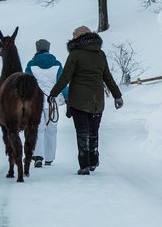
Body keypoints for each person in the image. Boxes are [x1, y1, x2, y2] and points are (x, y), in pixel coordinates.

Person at [48, 25, 123, 175]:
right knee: (93, 131)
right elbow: (107, 77)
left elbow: (65, 77)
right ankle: (93, 160)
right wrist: (117, 95)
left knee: (82, 132)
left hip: (79, 101)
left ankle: (84, 165)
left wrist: (53, 94)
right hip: (97, 101)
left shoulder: (75, 55)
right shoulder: (100, 54)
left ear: (80, 37)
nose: (72, 37)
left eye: (74, 35)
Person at [25, 38, 68, 168]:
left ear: (37, 49)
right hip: (52, 102)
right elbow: (62, 83)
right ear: (48, 49)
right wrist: (67, 98)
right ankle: (49, 158)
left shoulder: (31, 64)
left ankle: (38, 157)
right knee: (52, 130)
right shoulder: (57, 64)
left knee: (38, 128)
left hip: (35, 102)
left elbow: (26, 84)